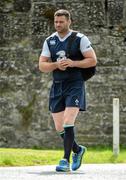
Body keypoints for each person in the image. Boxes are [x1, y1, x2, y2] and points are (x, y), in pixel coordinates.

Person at [39, 9, 97, 172]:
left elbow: (92, 60)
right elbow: (42, 65)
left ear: (69, 21)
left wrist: (73, 63)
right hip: (57, 85)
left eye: (61, 22)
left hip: (75, 84)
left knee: (68, 121)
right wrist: (56, 65)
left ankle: (65, 160)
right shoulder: (49, 40)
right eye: (56, 22)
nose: (58, 24)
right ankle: (78, 150)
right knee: (59, 127)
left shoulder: (79, 38)